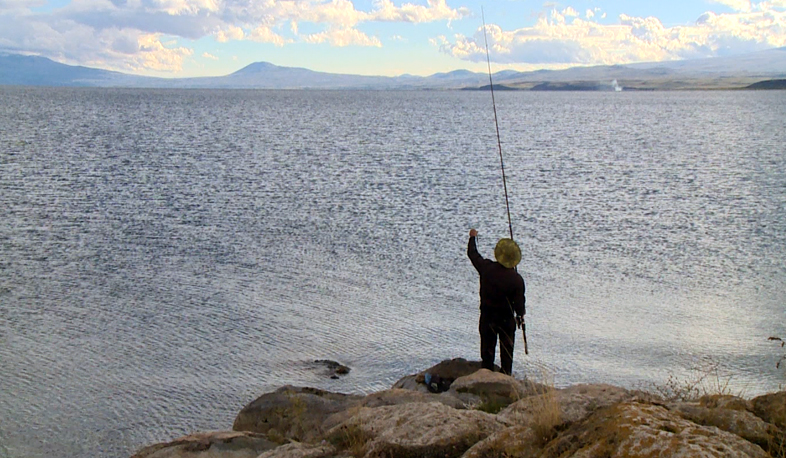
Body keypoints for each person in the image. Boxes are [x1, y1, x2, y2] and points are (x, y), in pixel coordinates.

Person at [467, 228, 526, 376]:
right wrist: (520, 315)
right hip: (506, 321)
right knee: (507, 357)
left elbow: (472, 254)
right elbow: (519, 307)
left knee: (487, 355)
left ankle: (486, 380)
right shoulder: (517, 280)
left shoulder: (486, 268)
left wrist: (472, 238)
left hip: (487, 318)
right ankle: (505, 380)